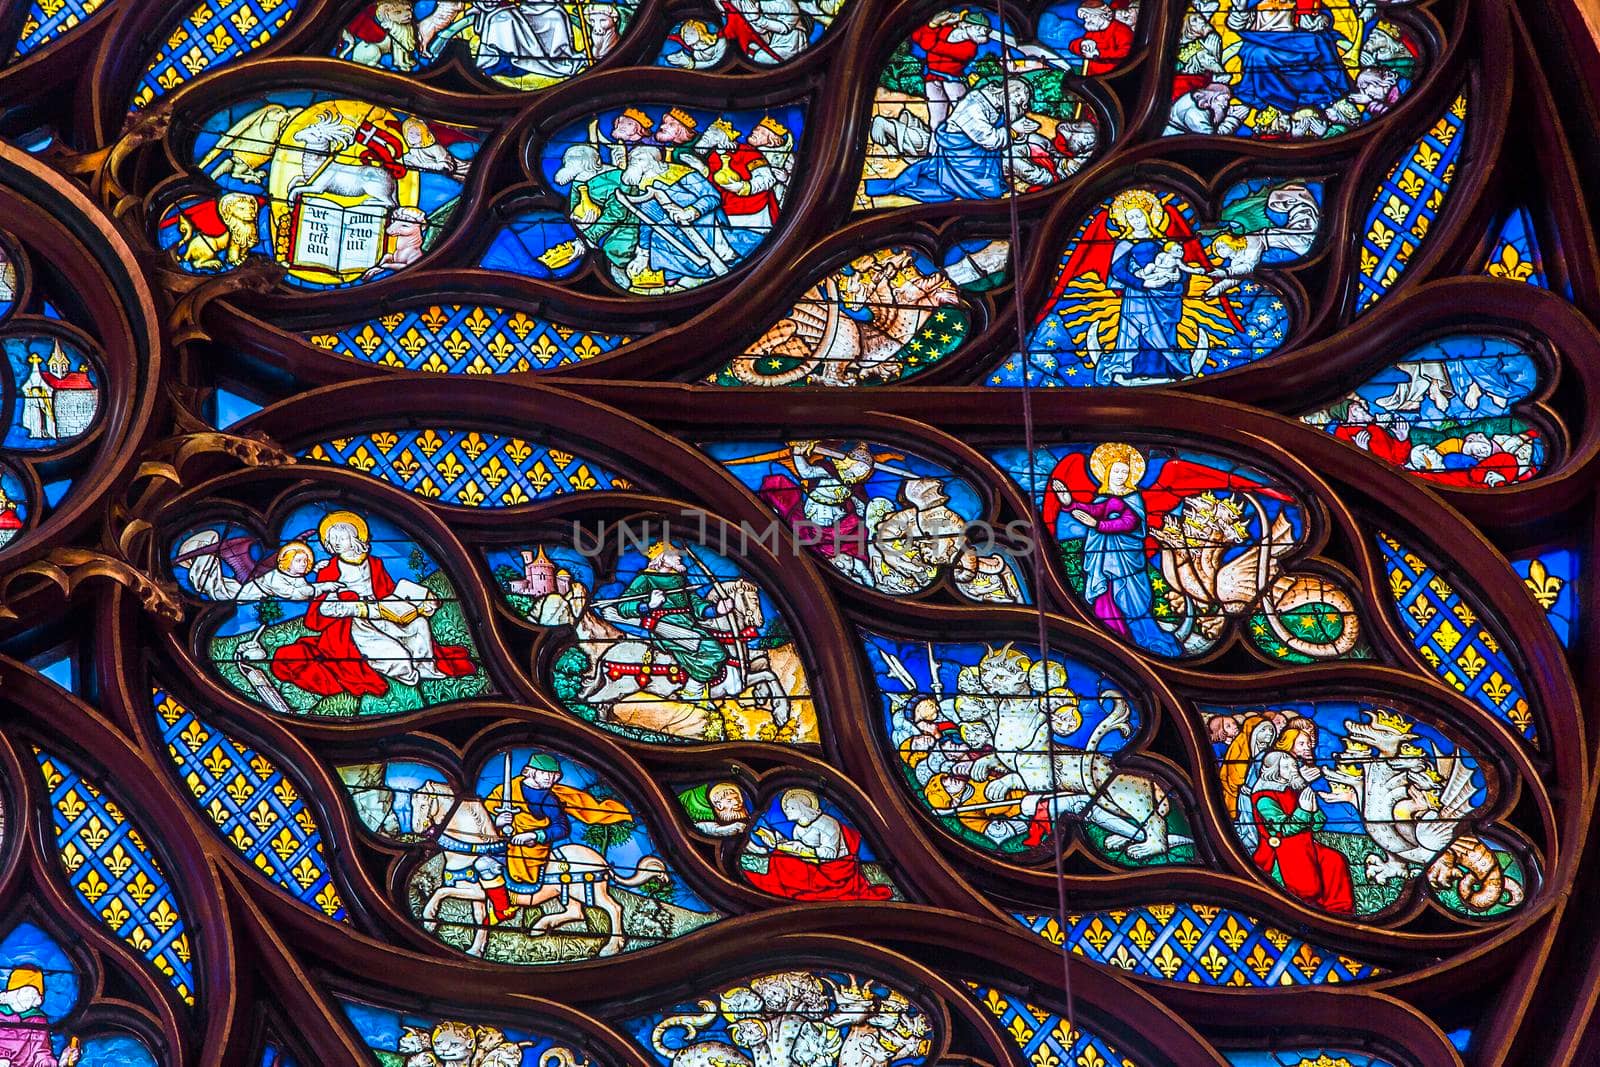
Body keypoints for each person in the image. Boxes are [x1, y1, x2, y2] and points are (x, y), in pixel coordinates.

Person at [269, 511, 476, 697]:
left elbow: (388, 591)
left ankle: (425, 668)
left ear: (354, 537)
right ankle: (409, 675)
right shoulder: (329, 571)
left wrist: (420, 600)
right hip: (355, 625)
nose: (336, 543)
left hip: (384, 614)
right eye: (332, 540)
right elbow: (325, 609)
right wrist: (360, 607)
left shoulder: (374, 563)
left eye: (341, 537)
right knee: (398, 655)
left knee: (420, 624)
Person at [1050, 443, 1182, 655]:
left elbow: (1129, 522)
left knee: (1134, 605)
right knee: (1106, 601)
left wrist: (1098, 525)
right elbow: (1094, 509)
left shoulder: (1133, 498)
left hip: (1128, 563)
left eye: (1125, 472)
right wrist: (1069, 503)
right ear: (1107, 473)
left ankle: (1147, 642)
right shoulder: (1104, 498)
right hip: (1103, 564)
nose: (1121, 475)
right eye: (1117, 471)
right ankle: (1116, 639)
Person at [485, 754, 632, 909]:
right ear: (529, 771)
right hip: (500, 843)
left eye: (554, 775)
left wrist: (536, 835)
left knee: (488, 865)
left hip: (531, 850)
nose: (550, 779)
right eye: (545, 773)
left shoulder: (549, 799)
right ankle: (500, 909)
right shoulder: (504, 791)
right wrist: (498, 821)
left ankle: (502, 909)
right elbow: (483, 817)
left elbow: (562, 827)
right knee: (480, 863)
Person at [862, 79, 1034, 203]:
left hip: (968, 155)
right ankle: (885, 125)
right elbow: (990, 140)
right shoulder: (976, 106)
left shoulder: (993, 102)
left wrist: (1017, 127)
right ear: (1009, 93)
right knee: (990, 190)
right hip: (957, 156)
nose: (1019, 108)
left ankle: (903, 124)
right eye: (1018, 103)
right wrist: (1012, 131)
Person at [1248, 726, 1357, 913]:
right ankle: (1309, 907)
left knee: (1334, 860)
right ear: (1275, 770)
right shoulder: (1264, 797)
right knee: (1305, 881)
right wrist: (1304, 811)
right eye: (1287, 766)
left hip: (1305, 842)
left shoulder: (1293, 790)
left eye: (1293, 765)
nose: (1293, 770)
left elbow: (1317, 825)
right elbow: (1281, 829)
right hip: (1282, 850)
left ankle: (1340, 911)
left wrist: (1314, 812)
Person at [609, 541, 733, 700]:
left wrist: (716, 610)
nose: (678, 557)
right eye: (673, 554)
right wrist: (649, 605)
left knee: (716, 650)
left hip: (688, 625)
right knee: (715, 651)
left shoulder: (679, 580)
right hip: (666, 627)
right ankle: (692, 693)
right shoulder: (646, 578)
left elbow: (694, 603)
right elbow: (624, 606)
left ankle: (695, 691)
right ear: (661, 557)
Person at [743, 788, 894, 900]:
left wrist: (803, 850)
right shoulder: (797, 827)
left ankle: (798, 889)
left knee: (784, 860)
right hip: (812, 862)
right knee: (779, 855)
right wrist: (778, 842)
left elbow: (830, 853)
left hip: (834, 869)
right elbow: (796, 845)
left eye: (791, 807)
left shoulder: (828, 824)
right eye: (786, 807)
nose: (785, 809)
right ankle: (785, 888)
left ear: (804, 808)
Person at [1224, 0, 1352, 115]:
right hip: (1262, 40)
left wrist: (1320, 20)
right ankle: (1281, 102)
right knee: (1257, 55)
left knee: (1260, 54)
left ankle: (1297, 98)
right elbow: (1238, 24)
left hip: (1296, 43)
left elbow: (1319, 12)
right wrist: (1240, 11)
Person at [0, 967, 79, 1066]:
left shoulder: (37, 1021)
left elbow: (41, 1054)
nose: (30, 999)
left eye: (34, 995)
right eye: (26, 992)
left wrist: (60, 1063)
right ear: (13, 991)